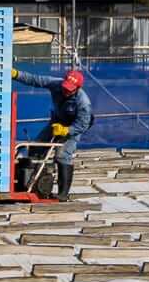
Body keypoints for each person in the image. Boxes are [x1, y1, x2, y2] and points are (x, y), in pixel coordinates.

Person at [13, 64, 92, 198]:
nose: (66, 91)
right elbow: (35, 79)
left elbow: (83, 124)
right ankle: (35, 183)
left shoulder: (83, 102)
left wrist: (66, 130)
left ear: (77, 88)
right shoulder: (56, 84)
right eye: (65, 88)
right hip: (56, 122)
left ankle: (63, 194)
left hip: (73, 128)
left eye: (70, 90)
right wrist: (16, 74)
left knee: (62, 155)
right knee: (36, 148)